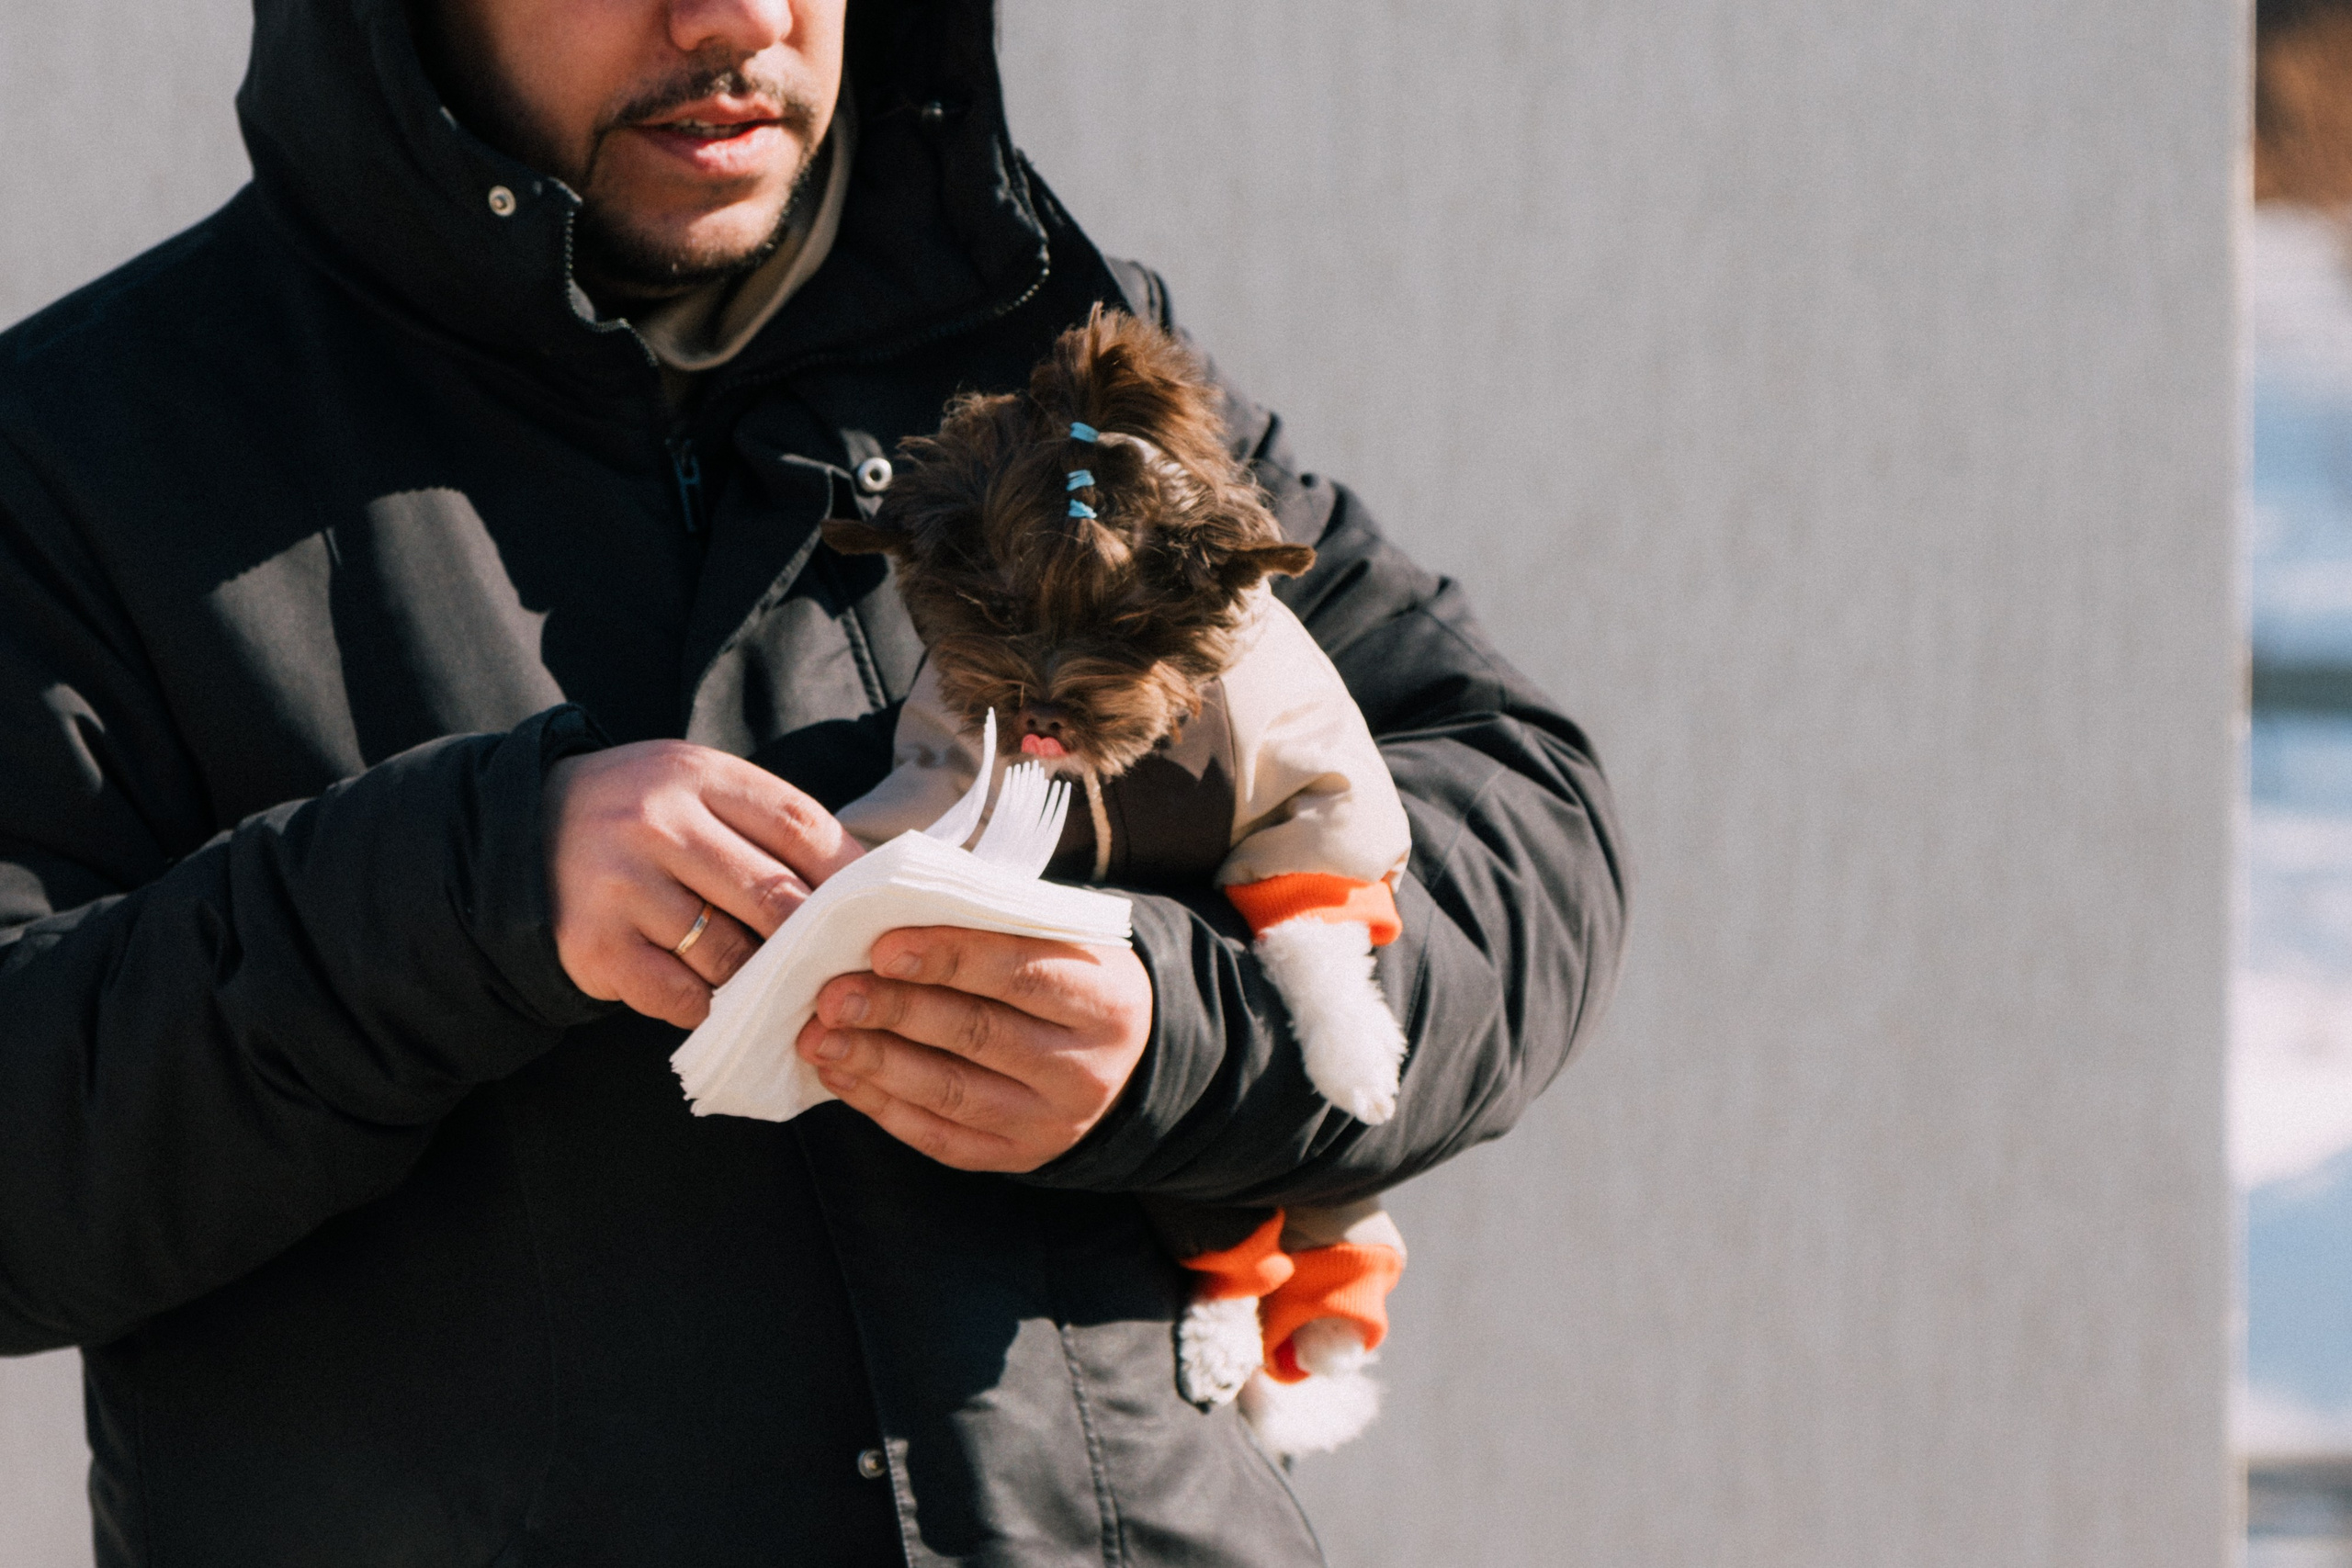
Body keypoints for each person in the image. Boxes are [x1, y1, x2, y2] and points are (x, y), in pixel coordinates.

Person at [0, 0, 1628, 1562]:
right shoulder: (78, 455)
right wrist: (471, 889)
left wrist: (1170, 1037)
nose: (736, 18)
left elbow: (1522, 813)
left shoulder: (1051, 363)